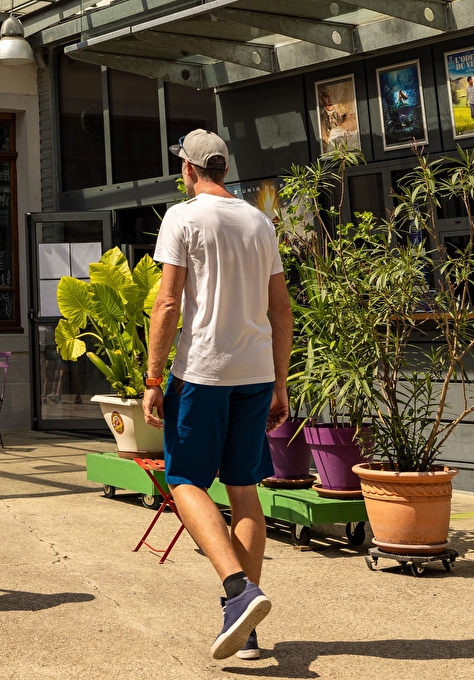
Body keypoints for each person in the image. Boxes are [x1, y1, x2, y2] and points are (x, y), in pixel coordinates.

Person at [141, 130, 293, 661]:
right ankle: (244, 630)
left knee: (183, 480)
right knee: (244, 490)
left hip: (204, 373)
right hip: (255, 374)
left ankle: (237, 590)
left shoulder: (182, 218)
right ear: (223, 169)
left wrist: (153, 379)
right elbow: (281, 309)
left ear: (188, 169)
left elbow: (167, 304)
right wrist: (280, 382)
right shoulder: (260, 222)